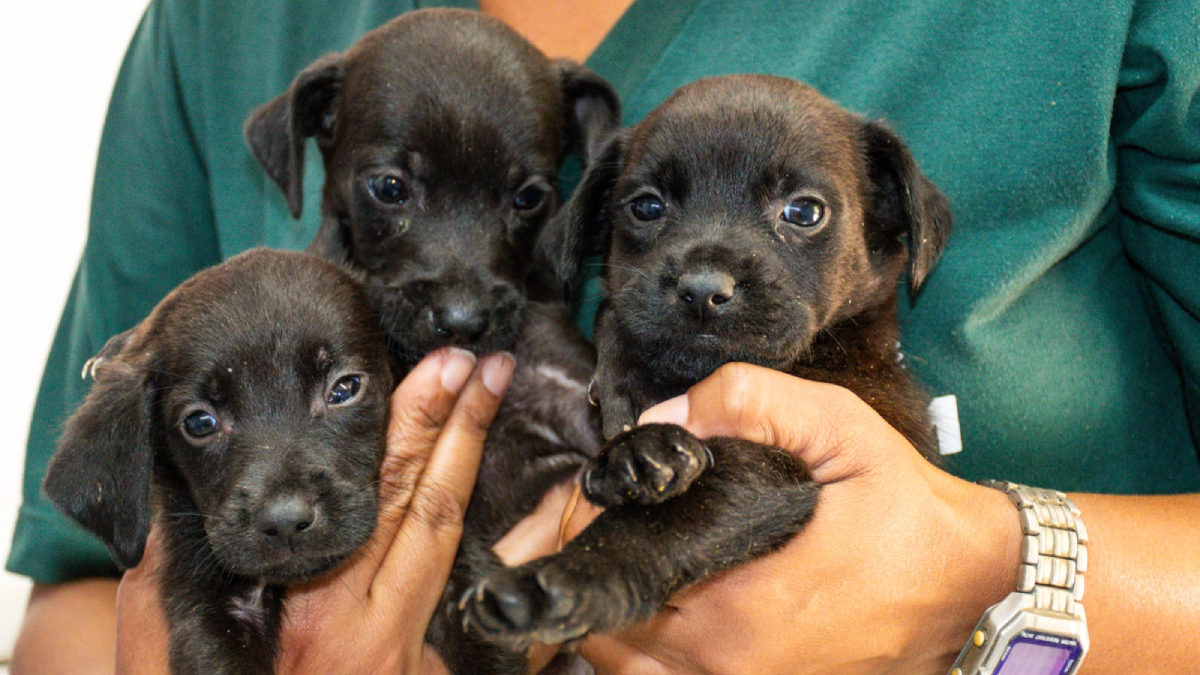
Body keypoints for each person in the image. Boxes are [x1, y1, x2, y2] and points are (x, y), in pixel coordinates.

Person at [9, 0, 1199, 673]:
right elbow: (72, 597)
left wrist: (1000, 573)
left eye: (799, 214)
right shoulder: (226, 29)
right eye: (644, 209)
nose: (468, 291)